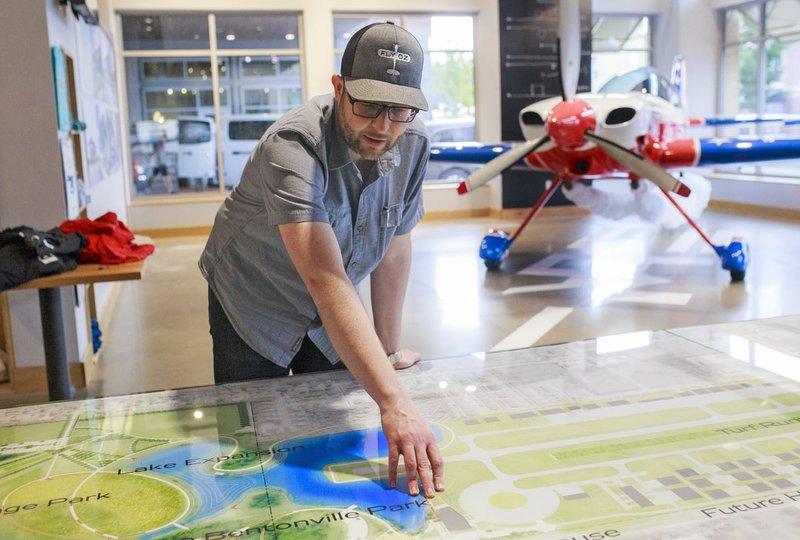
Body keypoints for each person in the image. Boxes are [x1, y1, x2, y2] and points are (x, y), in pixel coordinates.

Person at [199, 22, 444, 499]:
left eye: (399, 110)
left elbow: (394, 247)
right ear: (338, 87)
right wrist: (394, 403)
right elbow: (324, 275)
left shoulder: (412, 142)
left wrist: (387, 350)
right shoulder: (292, 146)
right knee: (253, 437)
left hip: (332, 300)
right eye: (368, 105)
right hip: (253, 298)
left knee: (325, 426)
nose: (382, 126)